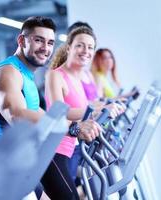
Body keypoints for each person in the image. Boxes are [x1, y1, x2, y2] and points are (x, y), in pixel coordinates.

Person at [0, 16, 102, 199]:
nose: (45, 48)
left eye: (50, 42)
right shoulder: (8, 72)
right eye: (38, 40)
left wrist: (83, 122)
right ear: (21, 40)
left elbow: (44, 115)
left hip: (17, 170)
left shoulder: (27, 76)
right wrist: (73, 128)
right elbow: (17, 115)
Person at [43, 26, 125, 200]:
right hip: (54, 150)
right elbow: (58, 112)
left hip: (71, 148)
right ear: (69, 47)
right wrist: (97, 109)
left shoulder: (78, 76)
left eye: (90, 47)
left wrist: (105, 107)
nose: (85, 51)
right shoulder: (55, 75)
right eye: (80, 45)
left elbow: (84, 108)